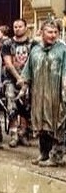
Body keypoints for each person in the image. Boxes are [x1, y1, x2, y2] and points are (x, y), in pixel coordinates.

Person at [19, 19, 66, 167]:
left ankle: (56, 156)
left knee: (57, 123)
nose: (52, 35)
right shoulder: (35, 50)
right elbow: (28, 71)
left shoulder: (62, 50)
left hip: (56, 95)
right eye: (49, 32)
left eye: (55, 32)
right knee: (40, 123)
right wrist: (23, 89)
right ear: (41, 32)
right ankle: (43, 153)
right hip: (38, 94)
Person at [1, 18, 32, 147]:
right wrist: (18, 78)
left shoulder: (32, 43)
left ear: (25, 28)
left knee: (25, 107)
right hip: (11, 79)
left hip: (28, 80)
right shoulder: (8, 43)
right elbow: (8, 63)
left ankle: (23, 134)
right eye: (15, 27)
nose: (17, 29)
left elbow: (32, 62)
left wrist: (25, 80)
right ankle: (14, 134)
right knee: (11, 105)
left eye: (20, 26)